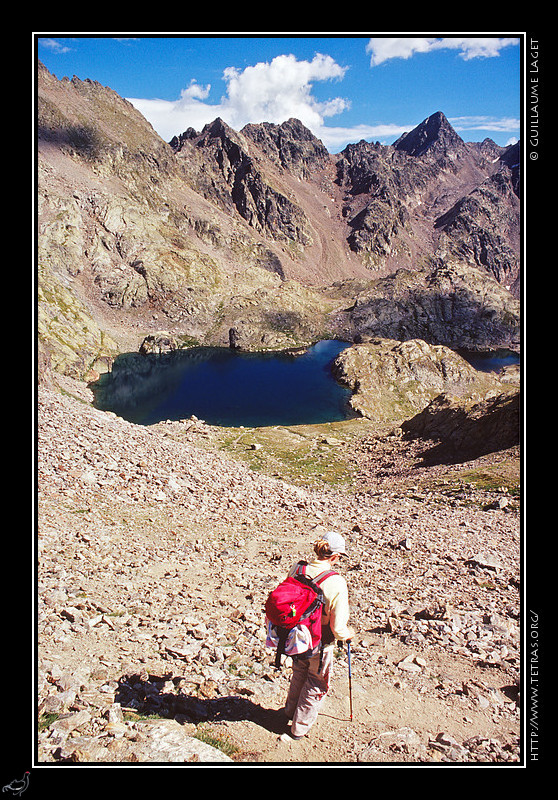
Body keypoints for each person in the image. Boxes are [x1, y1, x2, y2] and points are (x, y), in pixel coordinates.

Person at [280, 530, 355, 741]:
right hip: (319, 641)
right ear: (335, 556)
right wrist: (348, 636)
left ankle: (289, 712)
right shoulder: (336, 581)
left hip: (294, 636)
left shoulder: (298, 567)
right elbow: (338, 627)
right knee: (316, 682)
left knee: (299, 674)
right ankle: (299, 729)